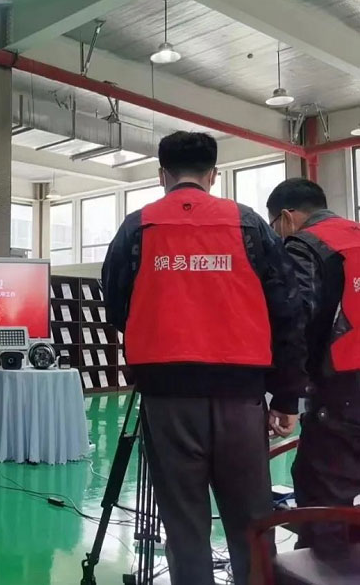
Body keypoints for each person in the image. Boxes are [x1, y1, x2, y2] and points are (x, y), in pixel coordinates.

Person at [102, 131, 307, 585]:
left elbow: (116, 305)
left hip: (167, 401)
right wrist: (287, 397)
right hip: (242, 400)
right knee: (252, 522)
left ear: (162, 175)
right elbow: (288, 312)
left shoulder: (137, 227)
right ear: (213, 175)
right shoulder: (249, 225)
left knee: (184, 526)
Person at [267, 178, 360, 555]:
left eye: (274, 225)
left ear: (287, 217)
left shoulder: (305, 246)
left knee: (323, 505)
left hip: (340, 399)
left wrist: (286, 398)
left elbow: (296, 323)